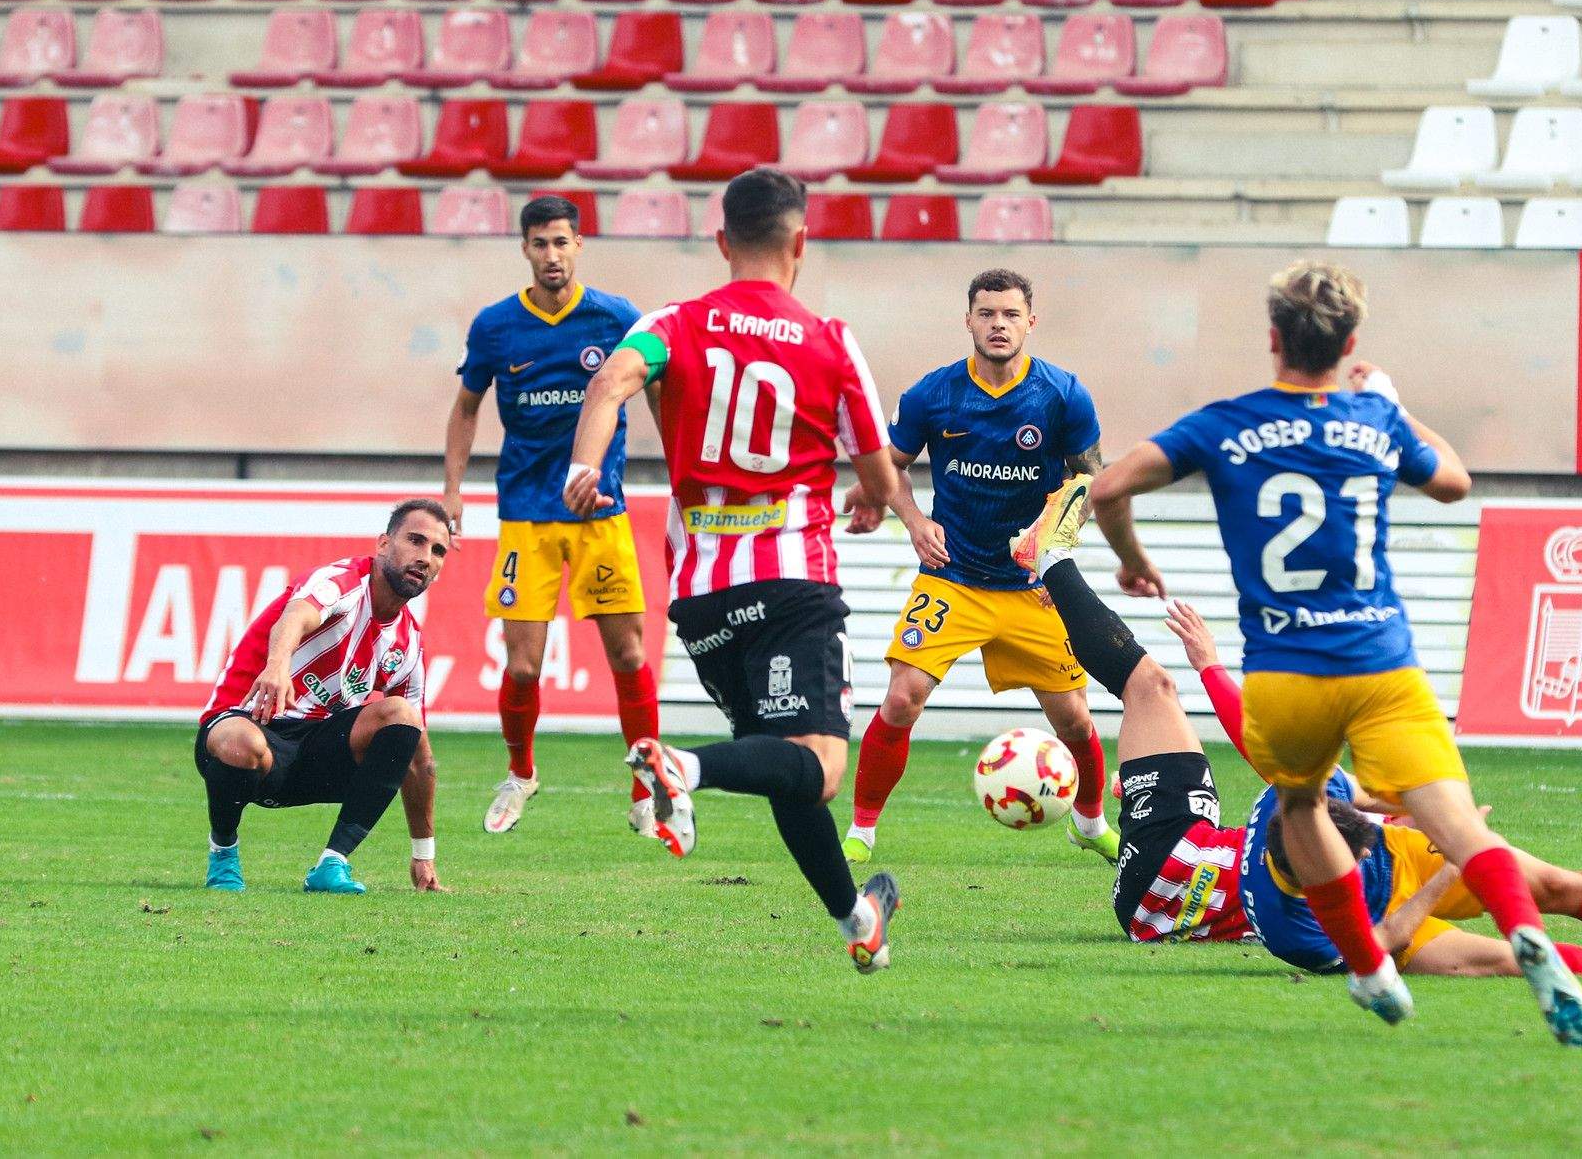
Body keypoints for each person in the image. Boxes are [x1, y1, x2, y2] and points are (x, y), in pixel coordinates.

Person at [1083, 259, 1582, 1045]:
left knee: (1296, 806)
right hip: (1380, 662)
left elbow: (1107, 487)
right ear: (1349, 339)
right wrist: (1393, 404)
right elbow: (1454, 483)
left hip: (1286, 669)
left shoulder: (1225, 420)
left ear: (1271, 338)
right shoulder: (1372, 420)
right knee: (1461, 828)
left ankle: (1367, 966)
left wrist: (1130, 556)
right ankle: (1528, 933)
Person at [1006, 503, 1582, 983]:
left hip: (1179, 845)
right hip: (1159, 896)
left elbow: (1281, 755)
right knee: (1497, 958)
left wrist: (1435, 817)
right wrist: (1436, 873)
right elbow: (1379, 948)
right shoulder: (1297, 930)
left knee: (1545, 882)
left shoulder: (1314, 803)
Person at [564, 170, 904, 973]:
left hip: (703, 594)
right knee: (818, 765)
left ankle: (856, 917)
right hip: (791, 579)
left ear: (721, 242)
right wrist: (872, 496)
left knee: (784, 760)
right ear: (800, 243)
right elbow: (879, 467)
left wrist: (584, 468)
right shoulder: (827, 337)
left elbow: (611, 381)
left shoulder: (672, 325)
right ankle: (683, 766)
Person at [844, 268, 1115, 866]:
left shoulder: (1062, 394)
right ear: (968, 319)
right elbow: (889, 466)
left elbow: (1088, 480)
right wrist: (914, 521)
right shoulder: (933, 395)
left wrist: (1054, 553)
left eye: (1010, 314)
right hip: (954, 577)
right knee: (902, 697)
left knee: (1073, 718)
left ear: (1030, 323)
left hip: (1031, 585)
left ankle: (1090, 821)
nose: (998, 325)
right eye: (987, 314)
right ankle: (862, 832)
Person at [443, 194, 663, 837]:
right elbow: (465, 407)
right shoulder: (495, 327)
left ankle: (645, 790)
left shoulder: (616, 317)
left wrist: (680, 473)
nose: (552, 255)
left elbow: (655, 389)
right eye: (540, 244)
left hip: (600, 512)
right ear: (525, 249)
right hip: (526, 514)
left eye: (562, 242)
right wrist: (452, 490)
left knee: (627, 654)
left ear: (579, 245)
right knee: (523, 666)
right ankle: (520, 773)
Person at [195, 499, 451, 895]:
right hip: (248, 725)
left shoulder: (409, 643)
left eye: (437, 551)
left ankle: (332, 864)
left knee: (402, 717)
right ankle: (223, 852)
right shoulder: (344, 581)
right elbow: (297, 613)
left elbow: (420, 760)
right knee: (241, 743)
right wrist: (277, 665)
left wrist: (424, 854)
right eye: (415, 541)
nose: (425, 558)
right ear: (383, 544)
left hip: (314, 757)